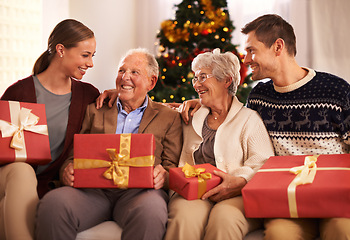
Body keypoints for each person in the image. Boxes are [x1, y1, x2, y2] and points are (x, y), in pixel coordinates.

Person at [180, 14, 350, 240]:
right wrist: (199, 103)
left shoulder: (335, 91)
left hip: (332, 198)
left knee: (343, 231)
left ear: (278, 46)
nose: (246, 59)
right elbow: (234, 115)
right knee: (280, 235)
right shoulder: (260, 97)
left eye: (252, 50)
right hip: (285, 199)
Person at [35, 48, 183, 240]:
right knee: (54, 203)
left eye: (134, 72)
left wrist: (164, 175)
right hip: (92, 192)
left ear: (151, 82)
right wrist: (67, 169)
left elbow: (172, 168)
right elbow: (73, 154)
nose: (125, 77)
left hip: (140, 194)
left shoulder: (169, 118)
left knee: (152, 212)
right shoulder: (95, 108)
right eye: (121, 71)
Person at [0, 19, 99, 240]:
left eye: (93, 55)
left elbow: (120, 113)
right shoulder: (18, 92)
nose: (91, 63)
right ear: (61, 50)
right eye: (85, 55)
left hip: (50, 187)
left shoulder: (89, 95)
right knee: (22, 170)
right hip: (8, 177)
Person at [162, 48, 274, 240]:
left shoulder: (249, 119)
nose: (197, 84)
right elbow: (151, 108)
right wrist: (119, 92)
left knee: (224, 219)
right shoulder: (190, 113)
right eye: (195, 78)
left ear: (227, 80)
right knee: (184, 217)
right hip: (194, 191)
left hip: (237, 194)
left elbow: (263, 161)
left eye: (203, 77)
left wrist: (240, 180)